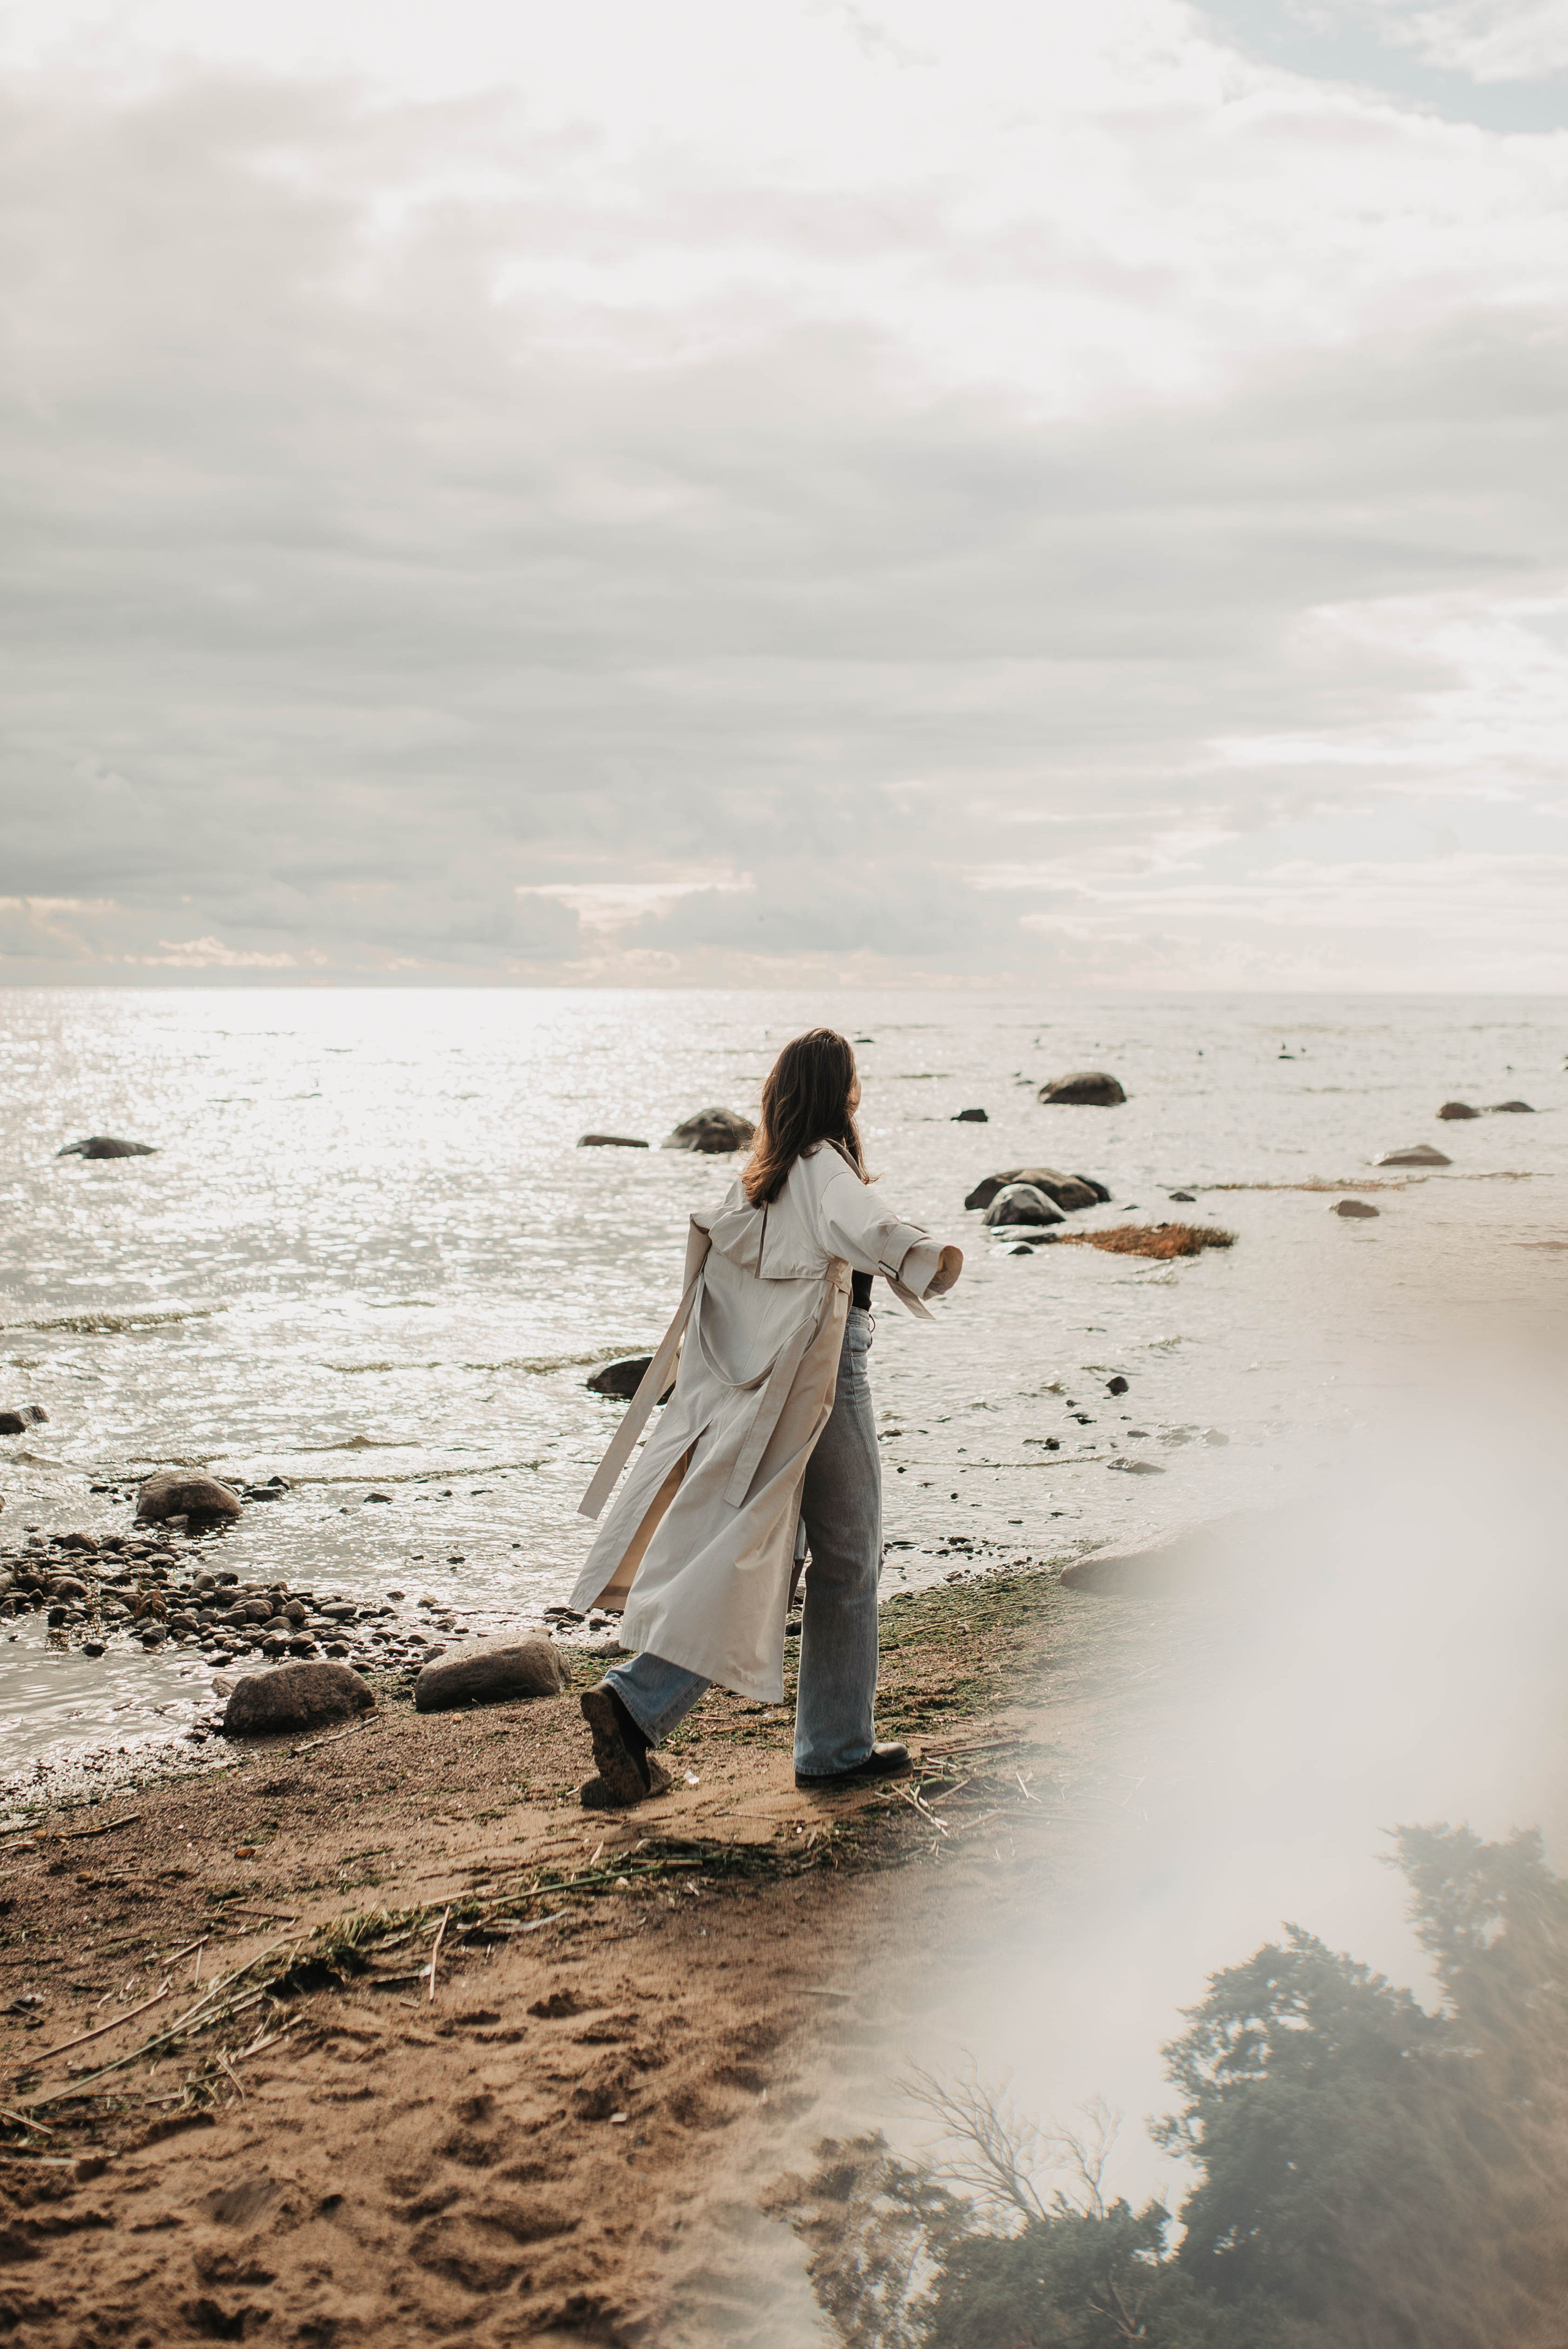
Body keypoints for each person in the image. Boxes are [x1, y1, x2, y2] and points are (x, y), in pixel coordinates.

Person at [568, 1026, 962, 1809]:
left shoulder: (755, 1182)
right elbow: (873, 1227)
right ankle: (832, 1750)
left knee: (754, 1553)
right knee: (849, 1559)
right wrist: (932, 1259)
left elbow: (716, 1285)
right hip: (825, 1378)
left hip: (765, 1390)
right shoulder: (823, 1166)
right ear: (839, 1094)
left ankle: (635, 1709)